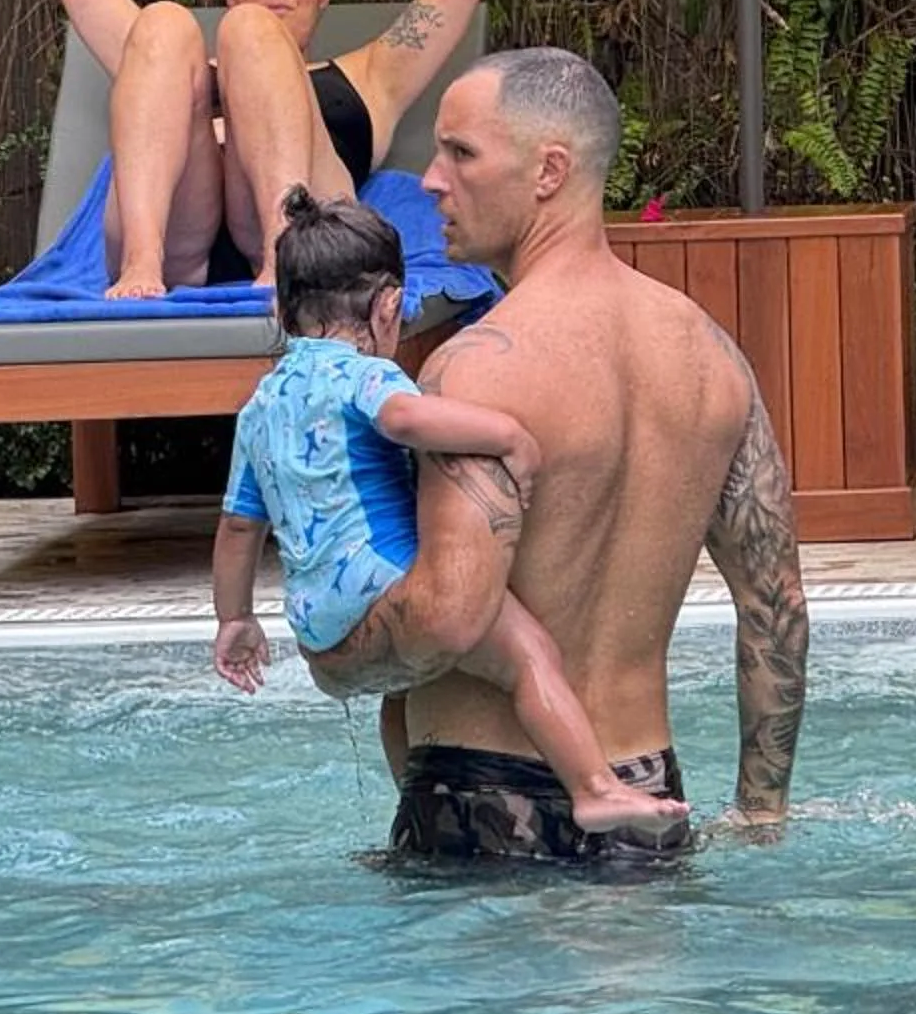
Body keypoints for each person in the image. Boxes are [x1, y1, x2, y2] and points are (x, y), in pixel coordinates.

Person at [382, 46, 809, 864]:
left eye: (460, 153)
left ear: (549, 170)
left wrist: (335, 651)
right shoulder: (710, 356)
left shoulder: (475, 367)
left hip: (482, 800)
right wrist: (762, 813)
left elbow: (442, 619)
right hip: (649, 794)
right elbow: (776, 602)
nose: (431, 179)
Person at [209, 186, 689, 842]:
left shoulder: (261, 405)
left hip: (321, 634)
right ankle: (596, 789)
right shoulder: (361, 376)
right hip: (389, 590)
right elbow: (407, 419)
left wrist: (235, 621)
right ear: (384, 307)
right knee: (529, 657)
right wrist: (509, 436)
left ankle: (417, 798)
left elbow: (239, 527)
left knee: (400, 691)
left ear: (283, 307)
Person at [43, 0, 491, 296]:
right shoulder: (174, 69)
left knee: (252, 29)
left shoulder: (373, 74)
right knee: (161, 22)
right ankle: (141, 260)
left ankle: (284, 253)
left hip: (310, 232)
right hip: (182, 244)